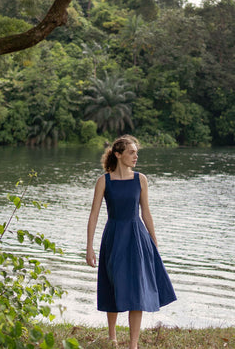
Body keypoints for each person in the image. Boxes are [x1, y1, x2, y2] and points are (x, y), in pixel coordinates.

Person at [86, 135, 176, 349]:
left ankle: (133, 345)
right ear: (118, 154)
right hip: (114, 236)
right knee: (114, 282)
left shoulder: (141, 179)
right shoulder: (103, 181)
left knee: (137, 288)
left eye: (136, 152)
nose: (136, 156)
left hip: (137, 237)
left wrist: (153, 242)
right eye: (131, 152)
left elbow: (146, 212)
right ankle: (112, 336)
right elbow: (94, 215)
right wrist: (89, 247)